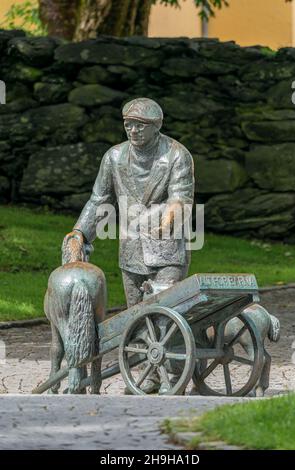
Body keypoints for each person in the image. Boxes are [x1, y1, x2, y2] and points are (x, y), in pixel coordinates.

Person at [63, 97, 194, 392]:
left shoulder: (176, 155)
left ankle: (173, 377)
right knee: (136, 316)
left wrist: (167, 217)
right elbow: (100, 200)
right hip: (131, 251)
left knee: (165, 315)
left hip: (166, 250)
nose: (133, 130)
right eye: (128, 124)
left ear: (156, 126)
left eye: (140, 125)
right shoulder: (114, 158)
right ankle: (146, 375)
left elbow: (181, 197)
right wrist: (80, 233)